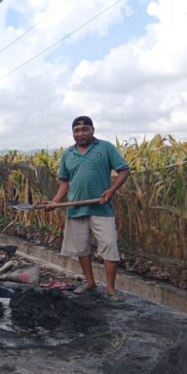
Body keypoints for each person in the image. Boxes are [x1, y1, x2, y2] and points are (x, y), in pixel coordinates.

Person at [46, 115, 130, 300]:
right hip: (76, 208)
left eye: (85, 129)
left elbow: (124, 170)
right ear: (72, 133)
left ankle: (110, 288)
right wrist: (55, 202)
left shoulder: (105, 147)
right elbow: (64, 183)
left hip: (101, 208)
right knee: (81, 249)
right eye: (77, 130)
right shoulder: (68, 154)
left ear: (93, 130)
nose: (81, 133)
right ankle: (90, 282)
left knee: (109, 245)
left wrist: (112, 190)